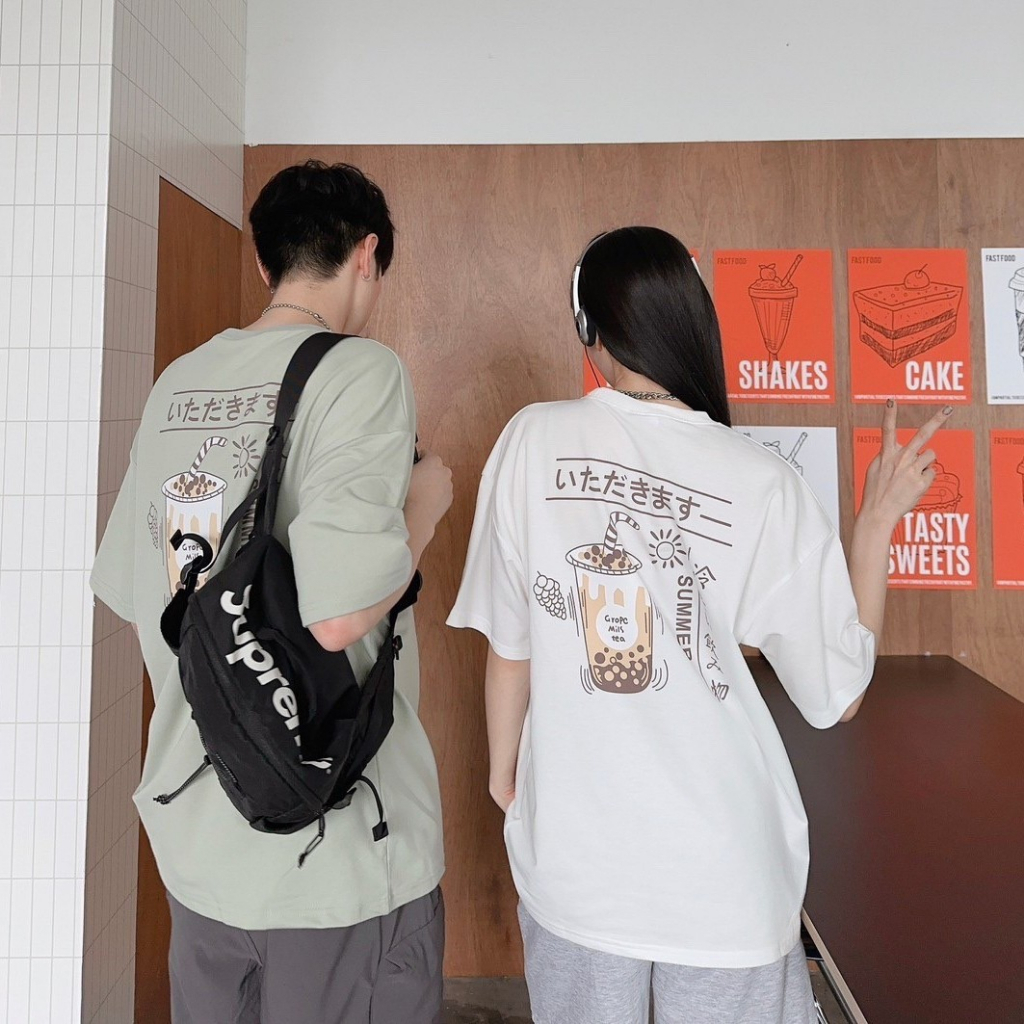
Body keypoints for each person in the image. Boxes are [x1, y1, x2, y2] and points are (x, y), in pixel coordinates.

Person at [447, 226, 950, 1024]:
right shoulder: (763, 480)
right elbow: (838, 695)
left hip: (579, 868)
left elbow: (512, 646)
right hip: (726, 877)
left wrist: (508, 776)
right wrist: (876, 526)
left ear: (588, 329)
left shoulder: (531, 439)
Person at [91, 160, 453, 1024]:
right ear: (366, 255)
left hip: (199, 839)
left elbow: (136, 594)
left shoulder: (178, 383)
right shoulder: (360, 372)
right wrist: (426, 507)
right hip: (332, 856)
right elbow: (339, 615)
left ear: (264, 263)